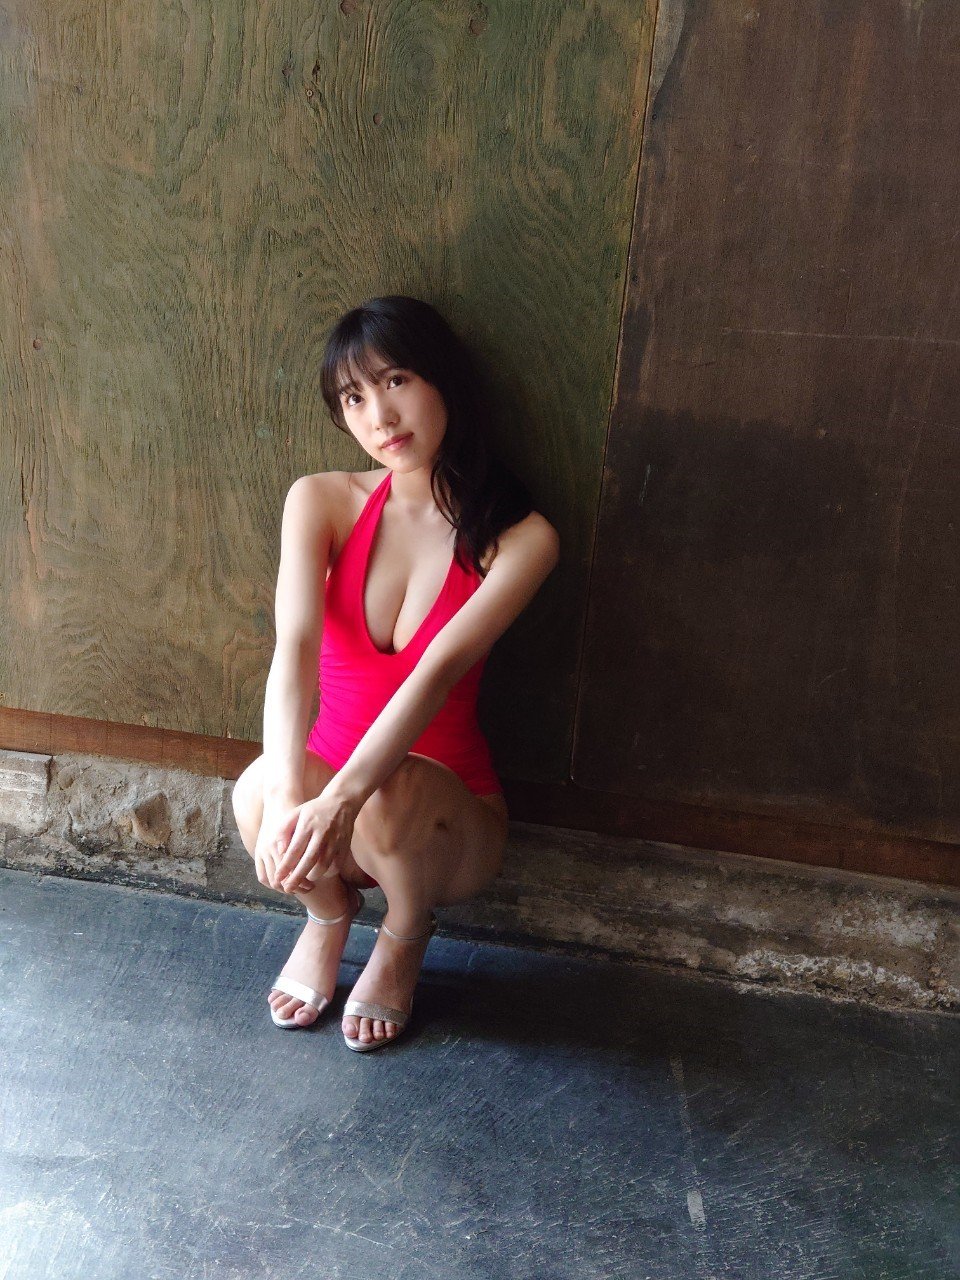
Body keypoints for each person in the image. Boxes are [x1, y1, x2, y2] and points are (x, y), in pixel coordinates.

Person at [231, 295, 559, 1052]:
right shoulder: (320, 500)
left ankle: (406, 932)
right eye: (354, 397)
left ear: (445, 382)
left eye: (396, 381)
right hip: (333, 814)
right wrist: (289, 797)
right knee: (256, 786)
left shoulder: (522, 538)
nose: (379, 415)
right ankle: (327, 915)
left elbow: (437, 673)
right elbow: (294, 649)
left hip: (440, 826)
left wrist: (342, 798)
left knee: (392, 790)